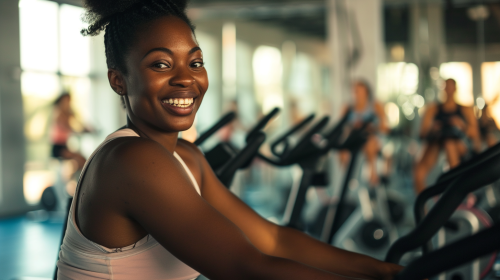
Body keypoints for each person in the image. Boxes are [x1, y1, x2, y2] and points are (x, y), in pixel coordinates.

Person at [57, 1, 404, 279]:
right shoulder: (130, 159)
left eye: (195, 62)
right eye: (161, 65)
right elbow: (245, 267)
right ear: (119, 80)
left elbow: (272, 240)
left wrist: (380, 269)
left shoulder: (187, 158)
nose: (186, 79)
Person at [414, 79, 481, 194]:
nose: (448, 90)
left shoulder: (465, 109)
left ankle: (457, 187)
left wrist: (461, 125)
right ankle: (424, 208)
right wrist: (433, 128)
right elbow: (422, 134)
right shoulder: (433, 109)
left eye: (451, 87)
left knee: (449, 143)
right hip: (437, 145)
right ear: (444, 89)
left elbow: (475, 134)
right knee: (418, 173)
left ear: (455, 89)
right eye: (446, 87)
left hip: (459, 147)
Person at [339, 80, 389, 187]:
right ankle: (347, 178)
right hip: (353, 140)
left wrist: (372, 127)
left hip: (370, 140)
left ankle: (373, 175)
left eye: (360, 91)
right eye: (355, 91)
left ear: (367, 92)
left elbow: (385, 127)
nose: (358, 94)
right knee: (341, 147)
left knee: (370, 142)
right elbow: (341, 127)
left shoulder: (375, 106)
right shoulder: (348, 108)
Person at [50, 93, 88, 181]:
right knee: (81, 159)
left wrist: (87, 128)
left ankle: (76, 180)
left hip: (64, 146)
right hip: (58, 148)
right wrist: (80, 130)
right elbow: (67, 127)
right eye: (66, 101)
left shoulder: (68, 113)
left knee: (82, 160)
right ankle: (76, 181)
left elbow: (79, 122)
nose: (68, 103)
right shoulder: (59, 114)